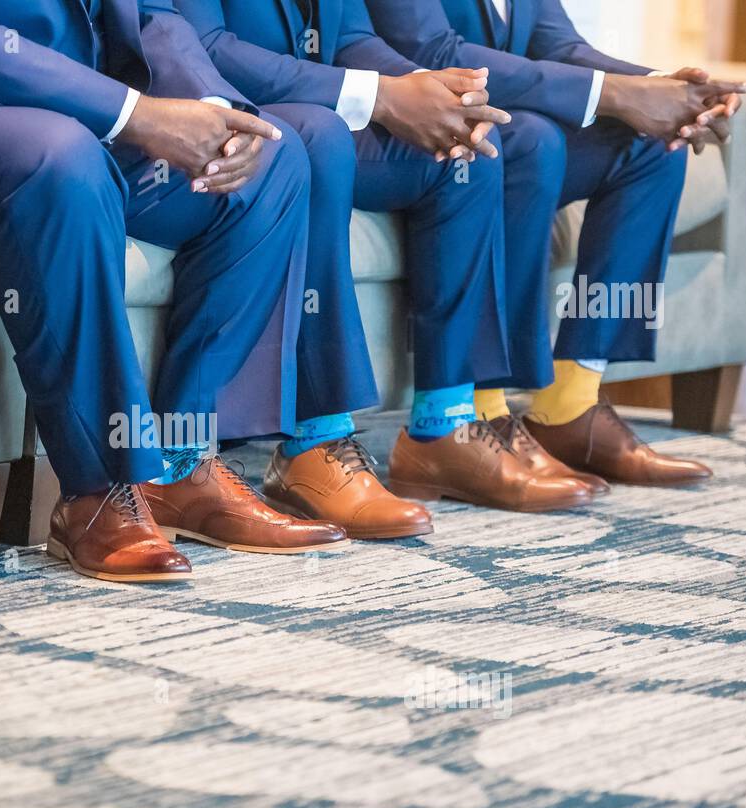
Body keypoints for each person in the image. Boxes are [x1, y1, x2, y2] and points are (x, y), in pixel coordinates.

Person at [0, 0, 348, 583]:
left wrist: (212, 109)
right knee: (68, 161)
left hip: (94, 113)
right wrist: (136, 113)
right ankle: (96, 491)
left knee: (272, 160)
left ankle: (180, 464)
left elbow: (155, 15)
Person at [175, 0, 597, 517]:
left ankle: (446, 423)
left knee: (463, 147)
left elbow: (351, 36)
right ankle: (315, 443)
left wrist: (429, 90)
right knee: (320, 135)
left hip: (320, 107)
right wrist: (379, 95)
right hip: (223, 111)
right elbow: (210, 47)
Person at [365, 0, 746, 485]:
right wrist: (617, 93)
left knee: (653, 144)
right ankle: (483, 407)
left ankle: (570, 404)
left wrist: (670, 91)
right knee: (532, 141)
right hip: (414, 138)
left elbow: (559, 44)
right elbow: (436, 52)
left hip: (510, 131)